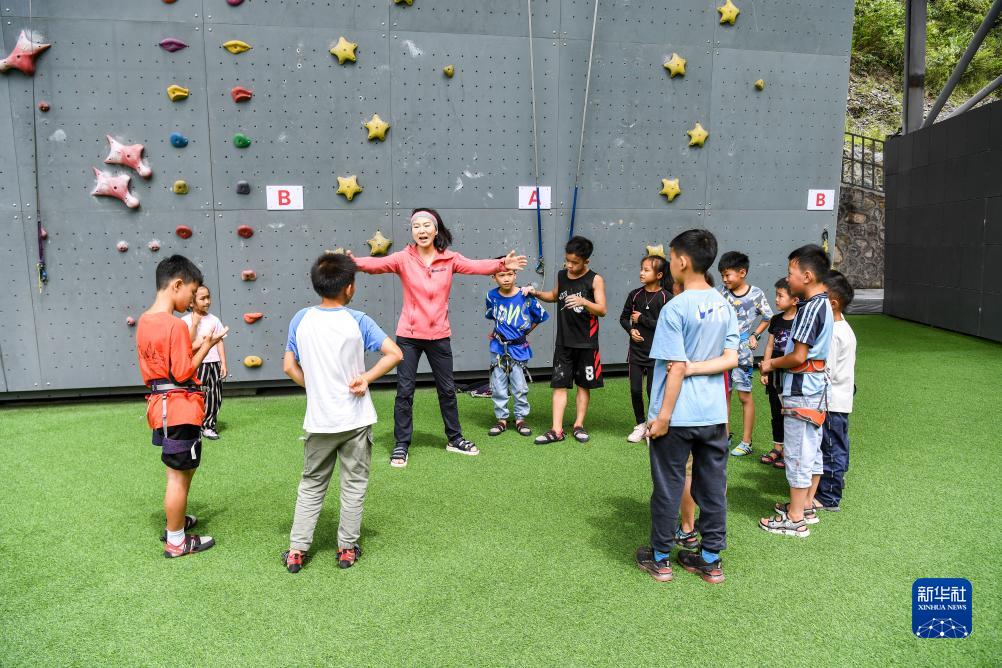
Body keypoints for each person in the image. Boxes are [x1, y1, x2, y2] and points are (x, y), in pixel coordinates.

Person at [349, 209, 527, 468]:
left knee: (447, 390)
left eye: (426, 226)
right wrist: (353, 263)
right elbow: (376, 265)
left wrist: (501, 265)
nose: (421, 230)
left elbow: (476, 266)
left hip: (440, 335)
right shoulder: (403, 258)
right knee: (405, 392)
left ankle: (454, 438)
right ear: (412, 231)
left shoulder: (450, 259)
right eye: (416, 226)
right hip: (409, 337)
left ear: (435, 230)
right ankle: (401, 444)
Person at [282, 253, 403, 573]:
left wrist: (313, 387)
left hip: (319, 421)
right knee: (354, 485)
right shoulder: (358, 320)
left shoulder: (301, 319)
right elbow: (395, 353)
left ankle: (297, 551)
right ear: (349, 287)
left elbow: (288, 366)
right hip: (355, 420)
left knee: (311, 485)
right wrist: (366, 378)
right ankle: (346, 549)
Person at [635, 229, 738, 585]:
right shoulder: (724, 305)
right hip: (714, 415)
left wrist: (661, 418)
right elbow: (731, 358)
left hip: (677, 416)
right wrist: (696, 368)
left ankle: (660, 559)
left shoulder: (674, 308)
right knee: (712, 488)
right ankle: (710, 561)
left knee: (668, 485)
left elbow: (675, 367)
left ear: (681, 261)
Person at [135, 255, 228, 558]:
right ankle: (176, 540)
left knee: (177, 472)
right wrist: (208, 347)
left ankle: (176, 523)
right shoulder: (175, 325)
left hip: (160, 408)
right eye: (191, 292)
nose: (191, 300)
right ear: (177, 284)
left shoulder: (145, 322)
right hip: (179, 408)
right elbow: (183, 371)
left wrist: (201, 344)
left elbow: (168, 362)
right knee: (179, 476)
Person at [759, 244, 833, 538]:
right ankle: (805, 506)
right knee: (811, 450)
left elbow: (798, 356)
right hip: (815, 389)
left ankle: (795, 518)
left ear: (807, 275)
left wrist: (770, 364)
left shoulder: (810, 308)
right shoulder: (823, 304)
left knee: (798, 453)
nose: (788, 279)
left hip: (803, 390)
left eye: (791, 273)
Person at [524, 236, 607, 444]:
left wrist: (583, 301)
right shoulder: (562, 275)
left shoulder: (595, 279)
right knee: (559, 385)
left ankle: (578, 425)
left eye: (574, 262)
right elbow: (554, 295)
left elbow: (602, 309)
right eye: (567, 260)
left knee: (583, 385)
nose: (569, 265)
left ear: (586, 261)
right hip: (563, 342)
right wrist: (535, 293)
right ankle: (556, 430)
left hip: (587, 343)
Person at [717, 251, 773, 456]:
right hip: (721, 351)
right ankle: (724, 436)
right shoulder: (719, 292)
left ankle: (746, 441)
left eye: (728, 275)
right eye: (722, 275)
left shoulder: (756, 293)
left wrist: (755, 335)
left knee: (744, 395)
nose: (725, 279)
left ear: (742, 272)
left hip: (742, 353)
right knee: (724, 394)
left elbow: (768, 316)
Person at [485, 261, 549, 437]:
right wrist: (498, 333)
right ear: (494, 277)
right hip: (498, 347)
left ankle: (520, 418)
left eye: (510, 274)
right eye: (501, 275)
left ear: (515, 275)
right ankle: (502, 419)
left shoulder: (525, 295)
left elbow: (540, 316)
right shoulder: (491, 296)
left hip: (518, 348)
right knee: (498, 385)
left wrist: (523, 333)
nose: (506, 279)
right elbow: (494, 317)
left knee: (519, 385)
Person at [813, 270, 856, 512]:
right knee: (836, 445)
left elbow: (826, 370)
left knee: (830, 447)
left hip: (831, 401)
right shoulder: (843, 328)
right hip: (839, 399)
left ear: (832, 303)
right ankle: (835, 483)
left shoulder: (834, 333)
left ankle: (829, 495)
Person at [620, 254, 671, 443]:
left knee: (653, 392)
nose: (641, 273)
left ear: (659, 275)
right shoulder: (634, 295)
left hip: (656, 354)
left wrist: (641, 319)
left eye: (646, 270)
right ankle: (640, 424)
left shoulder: (667, 297)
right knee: (635, 390)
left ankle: (652, 427)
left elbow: (666, 325)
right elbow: (623, 318)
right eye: (641, 269)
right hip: (636, 352)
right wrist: (631, 330)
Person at [758, 278, 798, 468]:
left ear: (795, 300)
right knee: (776, 411)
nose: (776, 299)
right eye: (776, 295)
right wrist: (765, 369)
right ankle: (777, 447)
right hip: (775, 374)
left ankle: (789, 452)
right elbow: (769, 345)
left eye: (780, 296)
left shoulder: (800, 321)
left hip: (792, 374)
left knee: (789, 413)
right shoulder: (775, 320)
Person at [182, 286, 228, 440]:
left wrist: (223, 363)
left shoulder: (214, 320)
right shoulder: (185, 321)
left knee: (214, 394)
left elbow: (219, 341)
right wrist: (194, 324)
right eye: (202, 298)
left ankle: (209, 426)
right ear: (191, 302)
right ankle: (194, 426)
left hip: (214, 363)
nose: (207, 301)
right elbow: (188, 344)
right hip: (197, 364)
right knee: (195, 395)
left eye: (208, 297)